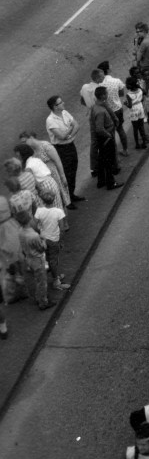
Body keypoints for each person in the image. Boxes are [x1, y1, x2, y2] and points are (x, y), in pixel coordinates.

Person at [20, 127, 70, 208]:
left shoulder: (45, 145)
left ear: (31, 138)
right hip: (44, 178)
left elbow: (57, 161)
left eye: (24, 141)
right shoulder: (31, 151)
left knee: (60, 200)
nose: (24, 144)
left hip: (54, 175)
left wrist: (62, 176)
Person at [34, 190, 69, 290]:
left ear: (42, 200)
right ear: (54, 199)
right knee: (54, 261)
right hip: (54, 240)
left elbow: (34, 225)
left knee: (47, 259)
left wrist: (40, 233)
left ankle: (52, 276)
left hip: (43, 239)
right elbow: (62, 228)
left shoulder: (39, 211)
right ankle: (56, 281)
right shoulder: (58, 212)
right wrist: (61, 241)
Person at [0, 196, 22, 338]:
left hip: (3, 232)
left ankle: (12, 293)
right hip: (11, 226)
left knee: (8, 264)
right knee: (16, 255)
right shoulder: (2, 199)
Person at [90, 86, 120, 190]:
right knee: (108, 161)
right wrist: (109, 135)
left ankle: (101, 181)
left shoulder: (96, 106)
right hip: (106, 138)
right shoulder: (100, 111)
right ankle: (111, 183)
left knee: (102, 160)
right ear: (103, 96)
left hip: (102, 138)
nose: (107, 94)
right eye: (106, 93)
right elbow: (99, 129)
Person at [99, 60, 128, 157]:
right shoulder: (117, 81)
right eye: (110, 65)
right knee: (120, 129)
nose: (111, 66)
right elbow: (121, 93)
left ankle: (115, 156)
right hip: (118, 109)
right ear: (107, 70)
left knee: (111, 134)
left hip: (108, 112)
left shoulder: (100, 85)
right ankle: (125, 150)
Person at [125, 76, 149, 149]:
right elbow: (143, 97)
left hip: (133, 111)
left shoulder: (128, 94)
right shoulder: (140, 90)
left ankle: (137, 144)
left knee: (135, 128)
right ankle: (144, 143)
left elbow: (130, 106)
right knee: (141, 127)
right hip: (140, 108)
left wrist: (125, 103)